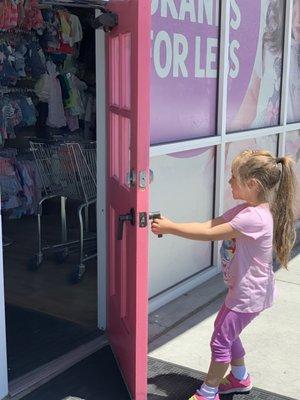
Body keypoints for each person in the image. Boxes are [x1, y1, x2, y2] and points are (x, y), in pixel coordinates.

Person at [151, 150, 297, 400]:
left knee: (220, 341)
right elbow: (209, 225)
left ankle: (208, 393)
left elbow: (209, 234)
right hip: (243, 290)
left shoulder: (254, 218)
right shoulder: (245, 210)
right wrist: (171, 224)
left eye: (233, 177)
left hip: (250, 294)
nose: (229, 182)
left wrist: (171, 228)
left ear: (252, 184)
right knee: (226, 331)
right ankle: (240, 378)